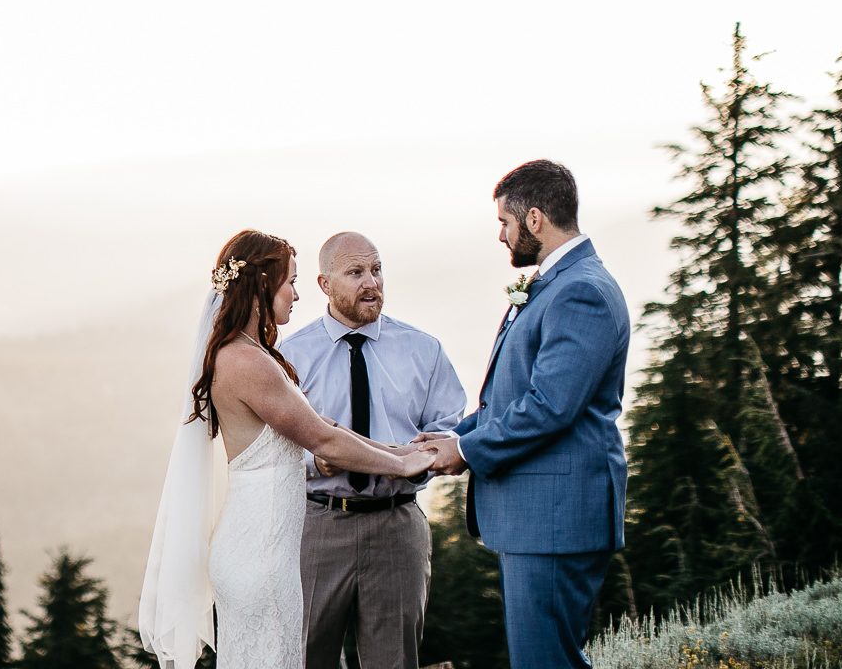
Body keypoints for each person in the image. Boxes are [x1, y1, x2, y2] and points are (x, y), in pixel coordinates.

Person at [140, 230, 440, 669]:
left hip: (267, 546)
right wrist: (403, 464)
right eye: (291, 282)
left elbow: (326, 427)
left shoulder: (249, 353)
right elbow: (323, 440)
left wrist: (398, 453)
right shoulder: (247, 362)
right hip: (259, 551)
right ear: (263, 284)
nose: (297, 294)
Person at [420, 160, 630, 669]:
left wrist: (465, 450)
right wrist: (450, 436)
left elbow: (549, 407)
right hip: (542, 517)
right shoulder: (558, 282)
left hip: (556, 517)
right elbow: (513, 396)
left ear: (534, 219)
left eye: (504, 223)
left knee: (545, 662)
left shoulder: (581, 291)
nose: (501, 235)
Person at [278, 232, 466, 669]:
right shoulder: (291, 356)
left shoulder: (424, 349)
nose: (371, 283)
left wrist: (417, 463)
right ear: (324, 284)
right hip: (318, 526)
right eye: (356, 272)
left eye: (377, 270)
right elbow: (276, 444)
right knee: (306, 657)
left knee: (394, 662)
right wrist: (314, 459)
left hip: (397, 527)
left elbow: (447, 427)